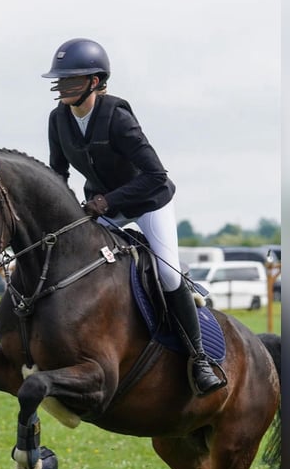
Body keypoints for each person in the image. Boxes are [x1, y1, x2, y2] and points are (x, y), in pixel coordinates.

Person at [41, 37, 226, 397]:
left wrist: (106, 202)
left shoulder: (117, 117)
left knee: (169, 276)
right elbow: (57, 175)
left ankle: (199, 358)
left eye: (71, 80)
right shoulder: (58, 119)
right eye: (60, 80)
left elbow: (156, 175)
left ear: (94, 82)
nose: (62, 86)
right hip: (101, 206)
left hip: (149, 203)